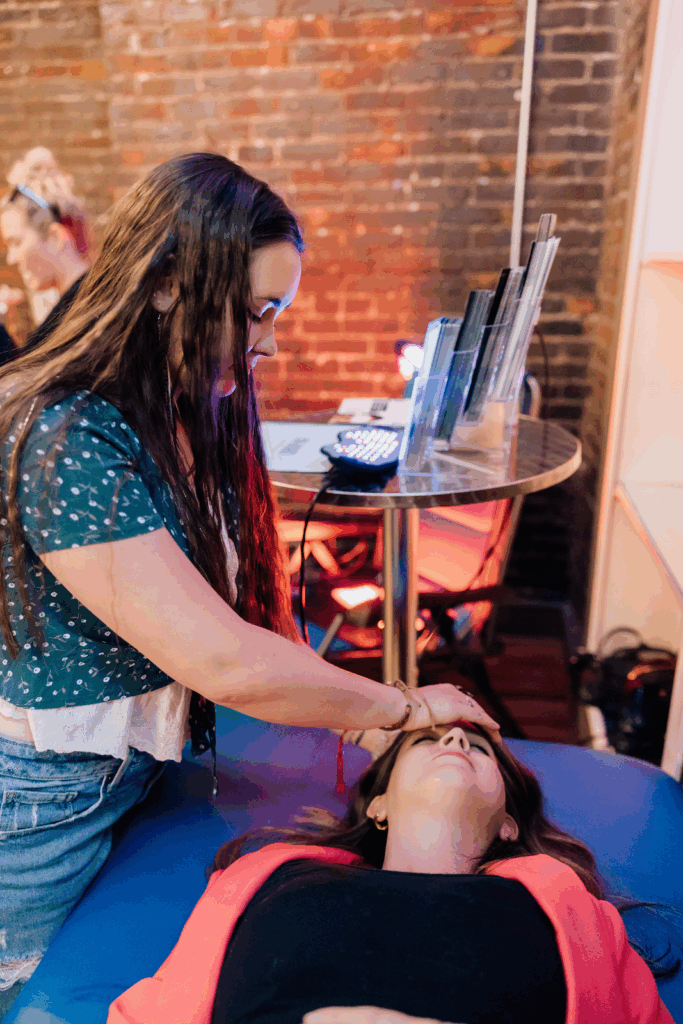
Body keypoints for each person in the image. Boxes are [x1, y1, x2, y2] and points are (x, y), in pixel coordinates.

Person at [0, 152, 498, 1005]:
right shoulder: (65, 438)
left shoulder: (183, 400)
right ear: (164, 287)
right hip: (39, 806)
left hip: (132, 772)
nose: (269, 340)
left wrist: (367, 717)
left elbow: (241, 616)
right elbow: (222, 659)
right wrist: (398, 709)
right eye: (257, 313)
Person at [109, 719, 677, 1024]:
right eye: (429, 739)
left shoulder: (567, 910)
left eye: (480, 748)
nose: (456, 737)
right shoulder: (271, 876)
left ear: (508, 820)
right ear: (377, 804)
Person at [0, 146, 91, 339]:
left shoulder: (84, 319)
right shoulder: (77, 308)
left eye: (16, 242)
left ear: (56, 237)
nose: (11, 259)